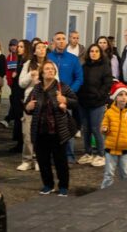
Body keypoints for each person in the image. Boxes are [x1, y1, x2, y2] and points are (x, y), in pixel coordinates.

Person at [27, 60, 78, 196]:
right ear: (42, 73)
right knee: (43, 160)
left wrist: (65, 100)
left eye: (52, 69)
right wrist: (28, 107)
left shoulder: (62, 87)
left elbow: (75, 102)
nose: (50, 71)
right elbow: (27, 106)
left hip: (58, 130)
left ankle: (63, 186)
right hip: (40, 130)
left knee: (60, 160)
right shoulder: (36, 89)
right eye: (47, 69)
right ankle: (48, 185)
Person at [46, 32, 83, 164]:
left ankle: (69, 156)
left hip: (66, 98)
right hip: (50, 98)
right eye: (58, 39)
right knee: (51, 128)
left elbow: (79, 78)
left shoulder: (73, 59)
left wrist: (69, 93)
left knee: (67, 127)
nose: (61, 41)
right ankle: (52, 156)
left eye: (63, 39)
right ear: (53, 42)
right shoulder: (48, 57)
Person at [99, 82, 127, 189]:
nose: (123, 97)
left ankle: (125, 192)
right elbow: (104, 126)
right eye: (120, 95)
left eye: (126, 94)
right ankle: (104, 194)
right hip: (110, 149)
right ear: (115, 97)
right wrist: (105, 130)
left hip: (126, 149)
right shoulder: (109, 112)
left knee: (124, 174)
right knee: (108, 175)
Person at [77, 43, 113, 167]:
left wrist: (99, 95)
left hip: (97, 103)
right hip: (83, 102)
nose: (94, 53)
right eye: (91, 51)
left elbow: (107, 84)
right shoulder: (84, 66)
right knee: (86, 129)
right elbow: (80, 81)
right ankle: (88, 153)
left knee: (96, 129)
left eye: (96, 51)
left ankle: (101, 154)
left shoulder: (105, 67)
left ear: (100, 53)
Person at [16, 40, 48, 171]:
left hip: (45, 102)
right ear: (34, 51)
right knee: (27, 133)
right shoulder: (28, 64)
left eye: (43, 47)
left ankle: (39, 159)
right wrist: (31, 74)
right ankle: (27, 160)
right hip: (30, 101)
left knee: (42, 133)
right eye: (38, 48)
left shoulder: (50, 64)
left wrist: (42, 80)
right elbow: (21, 83)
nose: (41, 50)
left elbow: (56, 81)